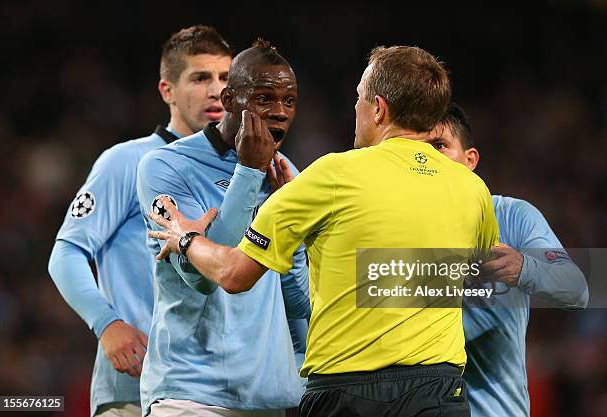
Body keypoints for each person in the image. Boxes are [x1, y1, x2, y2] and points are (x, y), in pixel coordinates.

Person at [148, 46, 500, 417]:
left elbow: (234, 275)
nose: (356, 109)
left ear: (378, 108)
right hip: (440, 392)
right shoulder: (472, 189)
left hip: (347, 394)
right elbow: (481, 278)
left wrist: (185, 238)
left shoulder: (331, 175)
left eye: (360, 98)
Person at [48, 25, 233, 417]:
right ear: (167, 91)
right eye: (200, 78)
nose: (216, 90)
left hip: (223, 387)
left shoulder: (243, 172)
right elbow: (66, 253)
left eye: (225, 78)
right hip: (135, 388)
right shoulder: (126, 162)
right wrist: (106, 324)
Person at [136, 40, 309, 417]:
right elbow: (206, 278)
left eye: (289, 100)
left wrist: (290, 232)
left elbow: (298, 302)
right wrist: (248, 172)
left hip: (268, 400)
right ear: (230, 100)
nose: (279, 112)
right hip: (189, 394)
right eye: (265, 98)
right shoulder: (166, 166)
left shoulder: (286, 175)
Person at [423, 102, 589, 417]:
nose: (428, 159)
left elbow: (576, 289)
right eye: (419, 151)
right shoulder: (396, 230)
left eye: (439, 146)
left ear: (470, 160)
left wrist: (522, 267)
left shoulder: (512, 217)